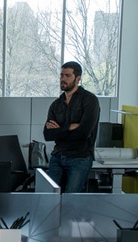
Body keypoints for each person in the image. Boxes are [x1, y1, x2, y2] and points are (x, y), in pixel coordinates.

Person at [43, 61, 100, 193]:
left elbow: (84, 133)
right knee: (49, 196)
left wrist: (59, 130)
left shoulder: (90, 100)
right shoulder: (56, 104)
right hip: (57, 156)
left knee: (70, 198)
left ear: (78, 78)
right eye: (61, 75)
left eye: (67, 76)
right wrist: (69, 127)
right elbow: (47, 134)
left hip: (80, 157)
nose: (63, 79)